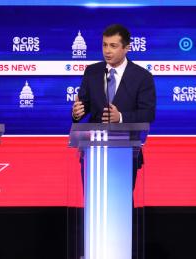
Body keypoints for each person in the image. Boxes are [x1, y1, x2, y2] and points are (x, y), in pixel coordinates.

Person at [71, 24, 156, 259]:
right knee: (94, 204)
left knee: (119, 206)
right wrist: (77, 112)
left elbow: (148, 114)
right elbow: (84, 106)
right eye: (104, 45)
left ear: (127, 48)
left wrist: (122, 117)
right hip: (93, 153)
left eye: (114, 46)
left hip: (126, 153)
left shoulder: (142, 77)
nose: (107, 51)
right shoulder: (92, 72)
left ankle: (120, 251)